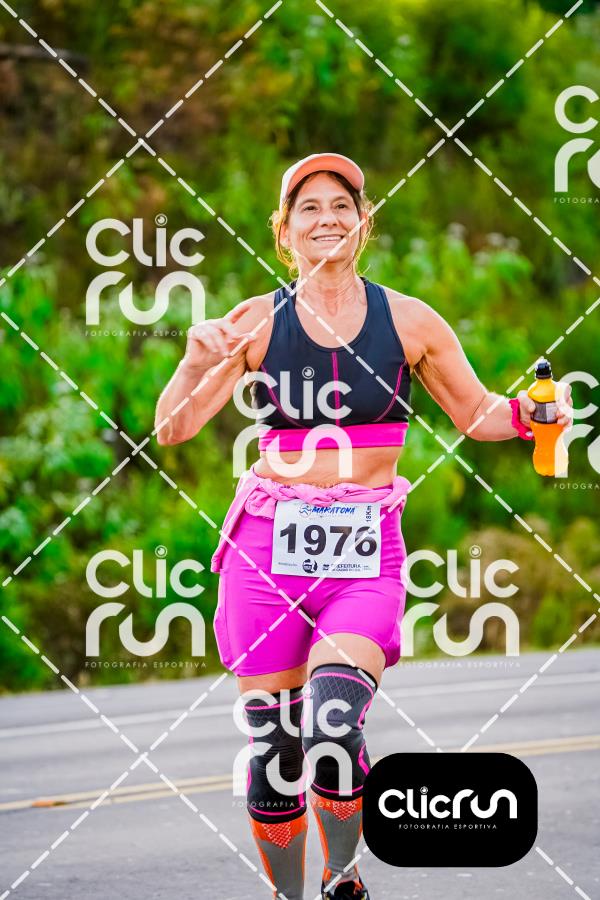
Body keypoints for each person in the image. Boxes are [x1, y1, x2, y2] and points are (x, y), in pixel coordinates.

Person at [154, 153, 571, 899]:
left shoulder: (409, 322)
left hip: (363, 556)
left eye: (341, 205)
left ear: (363, 221)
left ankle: (342, 877)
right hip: (266, 556)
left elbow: (476, 413)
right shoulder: (254, 323)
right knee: (276, 751)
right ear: (285, 231)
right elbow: (174, 430)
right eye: (309, 208)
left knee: (334, 725)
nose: (328, 219)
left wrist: (530, 414)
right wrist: (191, 364)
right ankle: (288, 895)